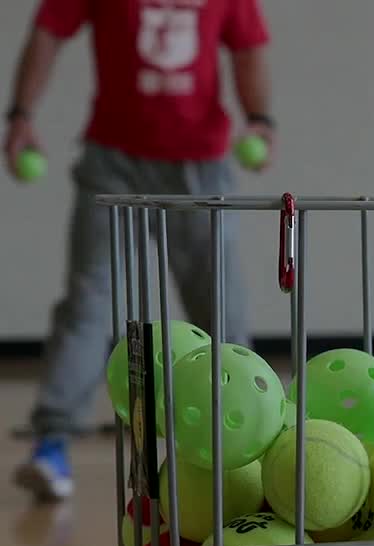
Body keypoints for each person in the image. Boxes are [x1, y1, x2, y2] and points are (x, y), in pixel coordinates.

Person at [4, 0, 274, 502]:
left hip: (200, 167)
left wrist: (260, 119)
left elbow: (248, 46)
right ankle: (51, 444)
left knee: (222, 312)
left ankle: (250, 450)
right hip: (112, 164)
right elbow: (48, 30)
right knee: (88, 303)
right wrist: (21, 114)